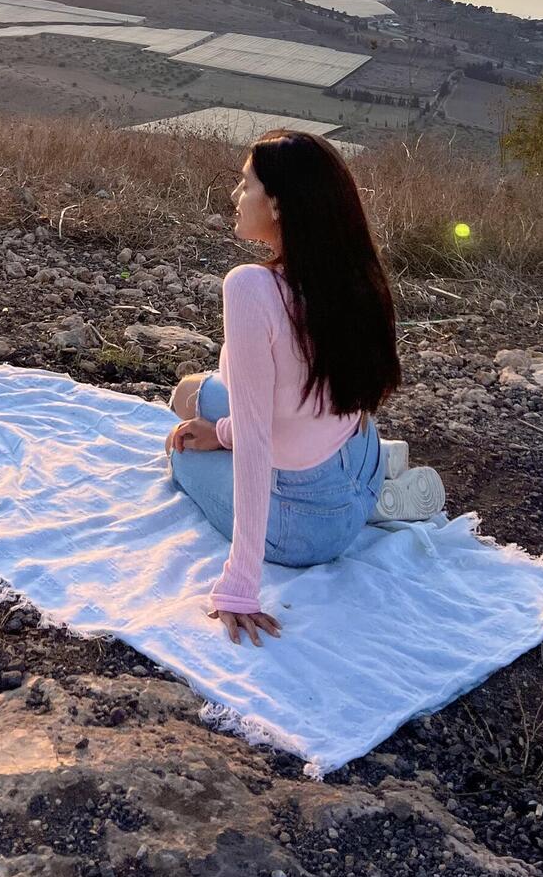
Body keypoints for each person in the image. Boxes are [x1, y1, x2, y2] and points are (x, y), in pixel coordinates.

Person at [166, 130, 401, 648]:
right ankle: (384, 486)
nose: (235, 196)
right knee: (192, 394)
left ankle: (213, 426)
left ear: (276, 203)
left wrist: (241, 586)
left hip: (304, 529)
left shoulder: (250, 286)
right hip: (360, 462)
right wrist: (225, 430)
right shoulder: (349, 274)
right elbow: (294, 408)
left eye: (245, 185)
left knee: (182, 449)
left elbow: (257, 442)